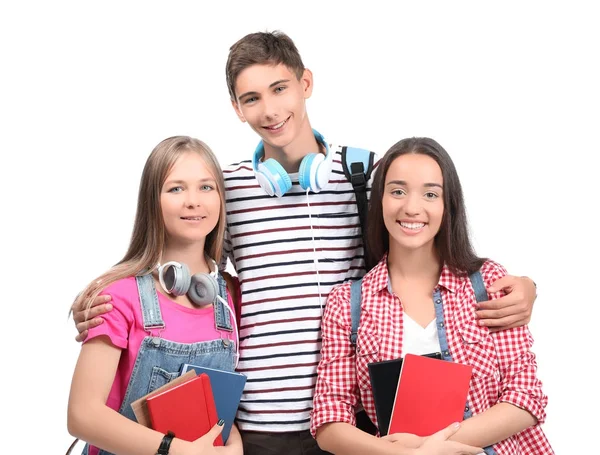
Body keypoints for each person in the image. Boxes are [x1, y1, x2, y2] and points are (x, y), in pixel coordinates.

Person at [72, 32, 538, 455]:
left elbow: (425, 235)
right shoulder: (225, 188)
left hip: (354, 421)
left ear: (305, 83)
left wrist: (524, 284)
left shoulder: (367, 176)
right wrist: (106, 294)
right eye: (251, 99)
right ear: (236, 108)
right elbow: (187, 261)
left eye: (279, 89)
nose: (270, 111)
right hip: (255, 423)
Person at [311, 137, 553, 454]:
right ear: (379, 200)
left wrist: (430, 446)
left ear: (447, 204)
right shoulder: (348, 304)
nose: (412, 207)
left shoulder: (489, 283)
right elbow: (330, 421)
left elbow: (525, 397)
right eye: (397, 191)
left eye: (430, 194)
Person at [67, 136, 243, 455]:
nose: (193, 201)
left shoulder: (229, 299)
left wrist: (234, 441)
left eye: (206, 187)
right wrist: (178, 451)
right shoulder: (119, 296)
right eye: (176, 188)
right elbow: (82, 415)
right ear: (153, 200)